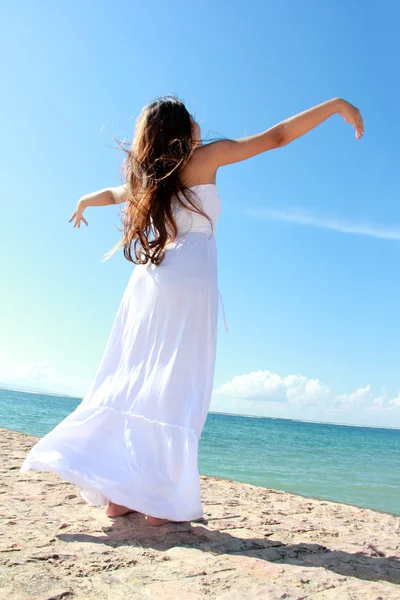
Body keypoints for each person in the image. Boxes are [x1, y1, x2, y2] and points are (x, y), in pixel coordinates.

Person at [20, 95, 363, 527]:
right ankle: (160, 500)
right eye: (193, 120)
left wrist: (85, 200)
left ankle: (120, 495)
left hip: (149, 282)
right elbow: (276, 137)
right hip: (189, 279)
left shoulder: (151, 179)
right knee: (176, 386)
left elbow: (112, 193)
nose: (201, 124)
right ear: (182, 133)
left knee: (132, 378)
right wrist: (333, 105)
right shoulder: (204, 158)